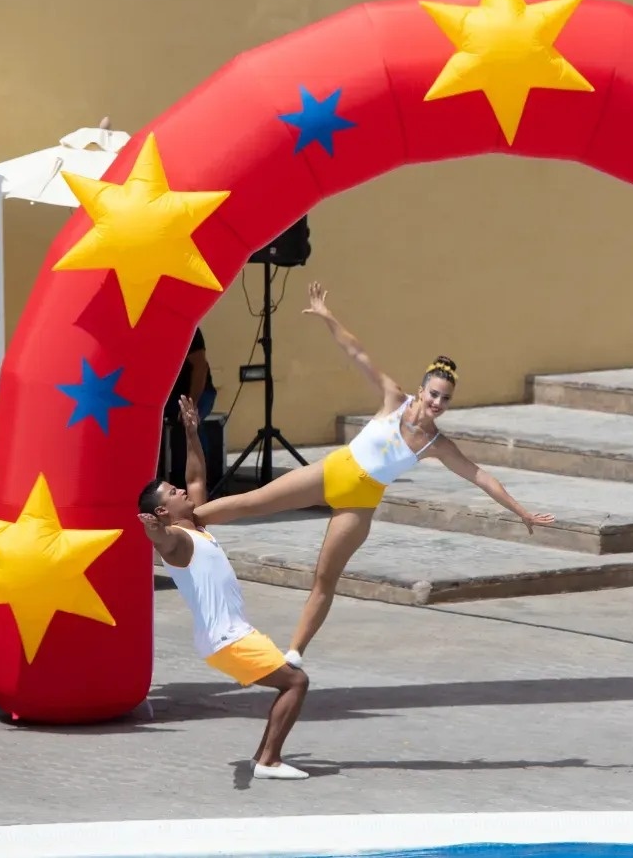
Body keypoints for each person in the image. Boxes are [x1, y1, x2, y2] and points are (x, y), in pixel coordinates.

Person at [179, 281, 556, 670]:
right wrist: (328, 317)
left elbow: (479, 476)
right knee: (250, 503)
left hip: (359, 504)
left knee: (325, 578)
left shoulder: (437, 443)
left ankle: (294, 654)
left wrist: (520, 511)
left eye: (446, 398)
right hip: (334, 471)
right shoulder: (394, 398)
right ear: (421, 389)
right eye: (434, 394)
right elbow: (357, 353)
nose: (438, 403)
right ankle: (183, 524)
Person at [138, 395, 311, 780]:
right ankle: (267, 761)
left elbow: (197, 477)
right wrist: (151, 528)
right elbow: (162, 539)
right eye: (172, 492)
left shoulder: (197, 523)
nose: (181, 490)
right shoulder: (178, 540)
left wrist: (192, 432)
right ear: (163, 511)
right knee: (296, 682)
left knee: (291, 682)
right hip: (226, 640)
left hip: (231, 635)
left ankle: (264, 758)